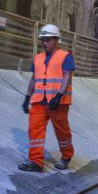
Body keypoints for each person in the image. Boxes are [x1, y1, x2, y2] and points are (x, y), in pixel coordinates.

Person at [19, 24, 76, 172]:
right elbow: (33, 79)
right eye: (43, 40)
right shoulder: (38, 58)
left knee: (62, 131)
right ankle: (36, 161)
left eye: (48, 40)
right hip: (39, 101)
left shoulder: (65, 56)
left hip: (58, 103)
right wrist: (27, 98)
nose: (44, 43)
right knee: (34, 130)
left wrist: (58, 96)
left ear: (57, 40)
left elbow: (67, 77)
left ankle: (66, 155)